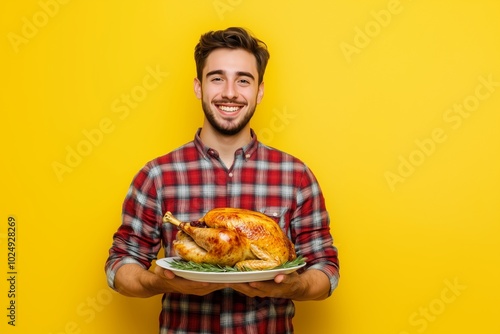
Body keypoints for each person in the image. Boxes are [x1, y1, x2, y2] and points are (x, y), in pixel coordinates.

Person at [105, 26, 339, 333]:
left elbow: (326, 270)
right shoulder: (157, 175)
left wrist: (293, 288)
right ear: (198, 87)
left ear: (260, 90)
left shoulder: (295, 176)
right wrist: (157, 282)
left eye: (243, 80)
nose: (230, 92)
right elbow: (120, 265)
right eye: (217, 78)